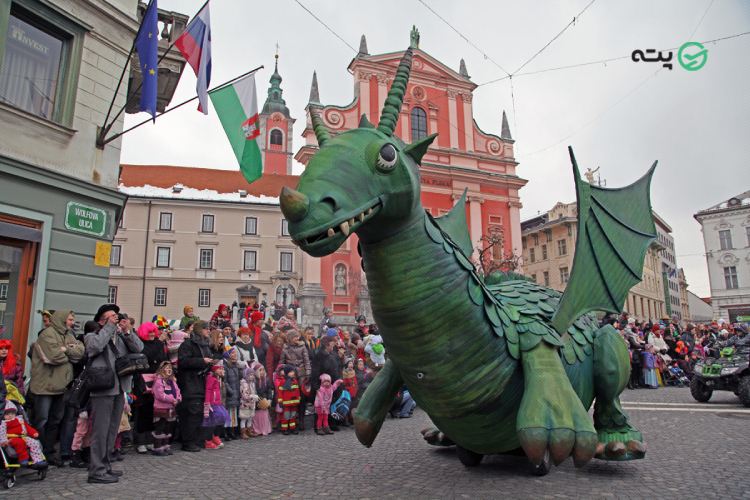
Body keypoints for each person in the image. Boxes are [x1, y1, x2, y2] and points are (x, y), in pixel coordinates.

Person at [85, 304, 143, 484]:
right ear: (101, 321)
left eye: (116, 317)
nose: (115, 320)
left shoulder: (119, 337)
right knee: (100, 432)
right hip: (103, 388)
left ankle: (105, 465)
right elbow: (95, 347)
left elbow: (138, 348)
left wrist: (127, 331)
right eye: (111, 317)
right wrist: (109, 327)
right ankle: (96, 470)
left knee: (111, 431)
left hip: (119, 387)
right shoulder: (92, 336)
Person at [29, 309, 84, 466]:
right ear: (61, 319)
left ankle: (49, 453)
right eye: (70, 319)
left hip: (61, 387)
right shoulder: (47, 334)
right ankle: (37, 453)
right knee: (41, 421)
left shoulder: (68, 336)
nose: (73, 322)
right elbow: (53, 357)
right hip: (45, 387)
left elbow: (79, 353)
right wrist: (69, 353)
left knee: (55, 421)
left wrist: (65, 349)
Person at [176, 319, 216, 452]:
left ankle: (195, 439)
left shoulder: (205, 344)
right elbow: (183, 361)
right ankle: (187, 441)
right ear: (199, 329)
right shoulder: (187, 344)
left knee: (198, 413)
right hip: (189, 383)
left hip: (200, 382)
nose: (208, 331)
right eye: (206, 328)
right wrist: (201, 361)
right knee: (191, 413)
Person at [133, 322, 166, 454]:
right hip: (143, 382)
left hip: (156, 381)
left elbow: (162, 360)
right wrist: (159, 344)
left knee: (152, 413)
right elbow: (148, 357)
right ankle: (141, 441)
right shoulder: (140, 344)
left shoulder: (158, 344)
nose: (152, 334)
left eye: (154, 332)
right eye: (149, 332)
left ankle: (149, 439)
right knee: (142, 413)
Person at [310, 336, 345, 431]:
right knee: (321, 405)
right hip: (323, 385)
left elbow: (338, 366)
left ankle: (331, 424)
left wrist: (340, 380)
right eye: (332, 344)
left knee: (332, 403)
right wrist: (316, 386)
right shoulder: (319, 356)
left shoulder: (333, 353)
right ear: (326, 345)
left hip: (333, 384)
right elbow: (315, 372)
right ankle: (318, 426)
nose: (333, 345)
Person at [279, 330, 311, 430]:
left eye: (298, 337)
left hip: (301, 374)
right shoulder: (285, 349)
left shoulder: (302, 346)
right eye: (295, 337)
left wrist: (308, 373)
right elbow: (281, 363)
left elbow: (306, 361)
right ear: (290, 338)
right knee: (290, 399)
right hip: (290, 376)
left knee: (301, 398)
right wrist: (283, 372)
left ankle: (301, 420)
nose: (298, 338)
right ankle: (290, 420)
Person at [0, 400, 46, 467]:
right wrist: (4, 441)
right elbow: (2, 433)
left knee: (35, 443)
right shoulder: (3, 423)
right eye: (7, 414)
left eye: (12, 414)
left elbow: (27, 427)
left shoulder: (19, 419)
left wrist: (33, 433)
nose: (10, 416)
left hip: (23, 436)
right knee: (19, 443)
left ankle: (38, 460)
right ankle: (23, 459)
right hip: (12, 438)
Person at [151, 361, 181, 456]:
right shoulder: (159, 382)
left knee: (168, 427)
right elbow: (160, 395)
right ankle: (157, 446)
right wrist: (172, 399)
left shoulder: (171, 382)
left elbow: (177, 391)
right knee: (160, 426)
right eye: (167, 368)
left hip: (170, 408)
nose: (169, 370)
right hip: (161, 407)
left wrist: (178, 399)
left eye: (170, 368)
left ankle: (165, 444)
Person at [203, 364, 230, 449]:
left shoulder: (218, 379)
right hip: (212, 404)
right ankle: (208, 440)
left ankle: (215, 436)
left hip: (218, 403)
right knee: (212, 422)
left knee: (222, 419)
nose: (222, 371)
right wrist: (207, 403)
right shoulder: (210, 378)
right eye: (220, 369)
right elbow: (208, 390)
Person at [222, 347, 242, 441]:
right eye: (232, 353)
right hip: (230, 393)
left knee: (233, 413)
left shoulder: (235, 365)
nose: (235, 354)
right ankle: (226, 432)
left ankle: (232, 431)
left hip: (235, 392)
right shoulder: (225, 366)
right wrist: (230, 391)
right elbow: (225, 380)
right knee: (228, 413)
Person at [277, 365, 300, 435]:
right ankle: (285, 428)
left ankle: (292, 427)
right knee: (286, 416)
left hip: (294, 402)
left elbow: (297, 391)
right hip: (286, 403)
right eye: (291, 372)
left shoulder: (295, 381)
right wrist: (280, 402)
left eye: (293, 371)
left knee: (293, 415)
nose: (293, 373)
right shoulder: (283, 382)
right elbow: (280, 392)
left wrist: (298, 399)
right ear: (286, 373)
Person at [238, 365, 259, 438]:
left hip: (251, 404)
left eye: (253, 375)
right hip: (245, 404)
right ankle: (243, 432)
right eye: (250, 375)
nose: (252, 377)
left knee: (250, 418)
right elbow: (244, 395)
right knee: (244, 418)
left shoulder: (252, 383)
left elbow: (254, 392)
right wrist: (253, 397)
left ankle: (250, 431)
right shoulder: (244, 383)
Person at [252, 363, 273, 436]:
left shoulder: (266, 379)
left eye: (263, 370)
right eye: (260, 370)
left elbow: (269, 390)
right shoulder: (254, 380)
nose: (262, 372)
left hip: (264, 400)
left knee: (265, 417)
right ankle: (257, 429)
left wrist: (269, 399)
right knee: (257, 417)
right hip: (257, 401)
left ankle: (266, 429)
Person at [341, 357, 358, 426]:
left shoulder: (353, 372)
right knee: (346, 406)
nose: (351, 365)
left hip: (353, 391)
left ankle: (350, 418)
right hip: (348, 392)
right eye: (349, 363)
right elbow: (345, 383)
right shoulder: (345, 373)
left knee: (351, 406)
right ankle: (346, 419)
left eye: (352, 363)